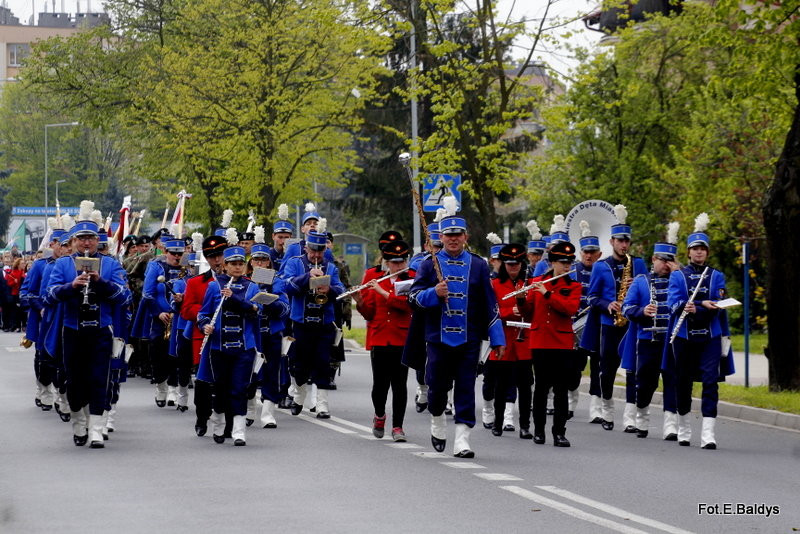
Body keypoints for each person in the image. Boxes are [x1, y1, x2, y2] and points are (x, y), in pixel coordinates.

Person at [408, 198, 505, 458]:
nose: (453, 239)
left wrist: (497, 338)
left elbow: (490, 303)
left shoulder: (479, 265)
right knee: (437, 387)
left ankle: (462, 439)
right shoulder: (429, 264)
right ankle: (438, 421)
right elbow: (413, 298)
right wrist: (433, 292)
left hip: (469, 338)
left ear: (465, 236)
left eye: (457, 235)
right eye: (448, 235)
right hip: (437, 337)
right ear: (441, 236)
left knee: (465, 387)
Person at [44, 201, 130, 448]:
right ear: (72, 242)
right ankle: (78, 423)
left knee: (99, 379)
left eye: (91, 238)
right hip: (72, 330)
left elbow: (124, 298)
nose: (86, 243)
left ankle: (96, 429)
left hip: (101, 330)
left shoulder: (111, 264)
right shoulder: (62, 264)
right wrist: (71, 287)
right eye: (81, 239)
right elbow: (48, 296)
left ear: (97, 240)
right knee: (74, 380)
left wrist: (101, 282)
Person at [666, 213, 734, 449]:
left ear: (707, 252)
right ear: (688, 252)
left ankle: (708, 434)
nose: (699, 252)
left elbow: (718, 304)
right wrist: (686, 306)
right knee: (683, 381)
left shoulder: (716, 275)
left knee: (710, 382)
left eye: (702, 249)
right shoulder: (677, 275)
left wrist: (702, 307)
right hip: (684, 336)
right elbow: (672, 303)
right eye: (695, 248)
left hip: (710, 336)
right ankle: (684, 428)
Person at [580, 205, 647, 432]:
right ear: (612, 242)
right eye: (619, 240)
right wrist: (607, 304)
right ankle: (607, 411)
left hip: (632, 325)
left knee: (632, 370)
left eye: (627, 241)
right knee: (607, 370)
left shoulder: (638, 264)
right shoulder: (601, 266)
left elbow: (647, 290)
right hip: (609, 324)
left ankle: (629, 417)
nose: (624, 244)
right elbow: (592, 297)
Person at [197, 231, 262, 446]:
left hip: (245, 346)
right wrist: (204, 325)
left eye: (240, 263)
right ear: (224, 265)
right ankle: (217, 424)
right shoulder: (214, 287)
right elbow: (203, 314)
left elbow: (255, 311)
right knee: (221, 388)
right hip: (219, 347)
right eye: (232, 263)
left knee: (239, 388)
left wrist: (235, 299)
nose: (237, 267)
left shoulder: (252, 286)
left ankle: (239, 431)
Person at [621, 223, 681, 439]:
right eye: (662, 260)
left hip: (673, 340)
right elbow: (626, 308)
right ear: (654, 260)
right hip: (648, 339)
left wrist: (678, 275)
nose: (666, 265)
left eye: (670, 261)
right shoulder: (641, 281)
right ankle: (642, 418)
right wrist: (642, 311)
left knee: (672, 380)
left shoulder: (680, 279)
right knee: (646, 381)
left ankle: (670, 424)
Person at [282, 219, 345, 418]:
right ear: (306, 247)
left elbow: (341, 290)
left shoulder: (331, 267)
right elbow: (286, 286)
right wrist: (307, 277)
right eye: (313, 251)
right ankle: (299, 396)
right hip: (300, 322)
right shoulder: (295, 263)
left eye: (320, 251)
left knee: (322, 363)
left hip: (324, 322)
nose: (316, 255)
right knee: (298, 364)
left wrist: (329, 289)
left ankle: (322, 404)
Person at [353, 239, 413, 442]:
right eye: (394, 262)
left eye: (401, 261)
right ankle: (379, 415)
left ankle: (398, 427)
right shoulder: (376, 278)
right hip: (379, 338)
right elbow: (370, 313)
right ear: (386, 262)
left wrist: (382, 291)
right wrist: (360, 302)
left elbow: (406, 306)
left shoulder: (410, 280)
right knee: (379, 385)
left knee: (399, 384)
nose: (398, 266)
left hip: (401, 338)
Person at [525, 241, 581, 447]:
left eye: (569, 262)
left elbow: (570, 309)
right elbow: (528, 313)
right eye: (562, 262)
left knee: (561, 389)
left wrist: (547, 294)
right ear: (552, 263)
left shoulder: (573, 286)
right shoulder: (537, 281)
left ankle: (559, 432)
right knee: (540, 388)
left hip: (562, 342)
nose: (566, 266)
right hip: (540, 341)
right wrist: (522, 300)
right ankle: (538, 431)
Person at [181, 234, 228, 436]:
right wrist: (207, 312)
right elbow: (186, 309)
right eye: (211, 256)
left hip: (229, 338)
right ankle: (202, 416)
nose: (216, 260)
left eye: (219, 255)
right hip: (204, 337)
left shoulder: (240, 281)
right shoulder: (196, 282)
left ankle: (224, 418)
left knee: (225, 381)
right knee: (203, 381)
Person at [132, 234, 185, 407]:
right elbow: (148, 293)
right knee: (158, 350)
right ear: (165, 251)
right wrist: (158, 312)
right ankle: (160, 385)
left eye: (179, 253)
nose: (176, 257)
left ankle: (172, 387)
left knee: (177, 352)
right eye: (173, 253)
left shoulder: (187, 268)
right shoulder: (156, 266)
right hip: (159, 316)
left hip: (178, 316)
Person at [486, 243, 533, 439]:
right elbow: (490, 311)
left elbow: (533, 312)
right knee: (501, 385)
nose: (513, 268)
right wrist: (508, 312)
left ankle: (524, 426)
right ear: (503, 264)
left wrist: (522, 304)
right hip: (503, 340)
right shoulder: (494, 285)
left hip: (524, 343)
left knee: (524, 386)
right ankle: (497, 422)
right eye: (509, 264)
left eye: (516, 264)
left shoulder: (530, 283)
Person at [571, 221, 603, 422]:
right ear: (581, 252)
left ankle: (596, 409)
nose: (589, 255)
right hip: (576, 325)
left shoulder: (604, 269)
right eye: (585, 252)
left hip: (598, 324)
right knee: (575, 367)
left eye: (593, 252)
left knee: (598, 367)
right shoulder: (572, 270)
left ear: (599, 253)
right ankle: (570, 402)